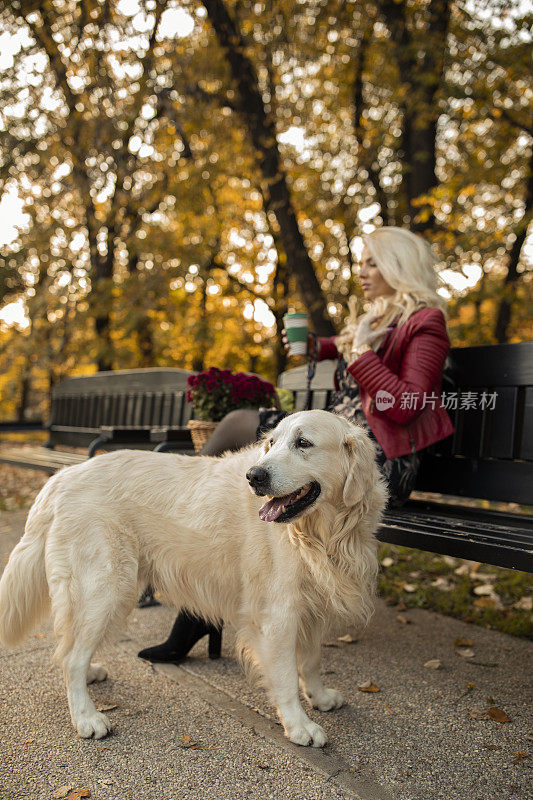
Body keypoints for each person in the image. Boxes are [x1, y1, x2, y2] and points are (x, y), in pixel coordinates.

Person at [138, 226, 454, 665]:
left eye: (372, 263)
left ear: (399, 268)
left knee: (255, 461)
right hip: (325, 442)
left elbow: (404, 405)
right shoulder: (373, 321)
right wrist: (311, 345)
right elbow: (330, 347)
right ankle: (197, 567)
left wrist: (360, 355)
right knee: (237, 424)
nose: (361, 271)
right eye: (361, 262)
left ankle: (196, 612)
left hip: (371, 459)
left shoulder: (426, 324)